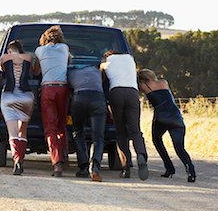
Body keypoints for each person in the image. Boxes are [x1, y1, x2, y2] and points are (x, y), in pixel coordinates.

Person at [138, 69, 196, 182]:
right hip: (176, 117)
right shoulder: (164, 82)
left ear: (141, 80)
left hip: (161, 118)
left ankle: (169, 168)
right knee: (180, 148)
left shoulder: (144, 86)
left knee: (157, 140)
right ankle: (191, 172)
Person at [100, 50, 149, 180]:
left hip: (116, 93)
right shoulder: (129, 58)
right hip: (132, 93)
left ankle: (125, 167)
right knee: (135, 130)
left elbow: (101, 77)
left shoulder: (106, 63)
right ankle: (141, 155)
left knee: (121, 132)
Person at [34, 25, 70, 177]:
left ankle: (57, 164)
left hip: (47, 89)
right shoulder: (64, 48)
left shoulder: (39, 51)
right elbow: (68, 63)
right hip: (63, 88)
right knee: (62, 125)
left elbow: (36, 71)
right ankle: (65, 156)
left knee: (50, 128)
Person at [0, 40, 34, 175]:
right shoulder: (28, 57)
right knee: (22, 131)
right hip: (26, 97)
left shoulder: (5, 57)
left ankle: (17, 160)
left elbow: (2, 71)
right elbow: (31, 72)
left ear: (9, 50)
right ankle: (21, 158)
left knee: (12, 133)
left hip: (9, 97)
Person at [68, 62, 107, 182]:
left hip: (79, 98)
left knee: (78, 132)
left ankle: (83, 167)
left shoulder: (70, 71)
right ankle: (95, 167)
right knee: (98, 137)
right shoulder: (96, 71)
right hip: (98, 98)